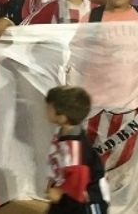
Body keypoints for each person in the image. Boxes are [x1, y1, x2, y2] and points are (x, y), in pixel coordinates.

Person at [45, 86, 110, 214]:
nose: (46, 111)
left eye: (49, 108)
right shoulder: (63, 132)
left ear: (62, 117)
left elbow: (79, 177)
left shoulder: (74, 147)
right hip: (70, 189)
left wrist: (59, 191)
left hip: (88, 198)